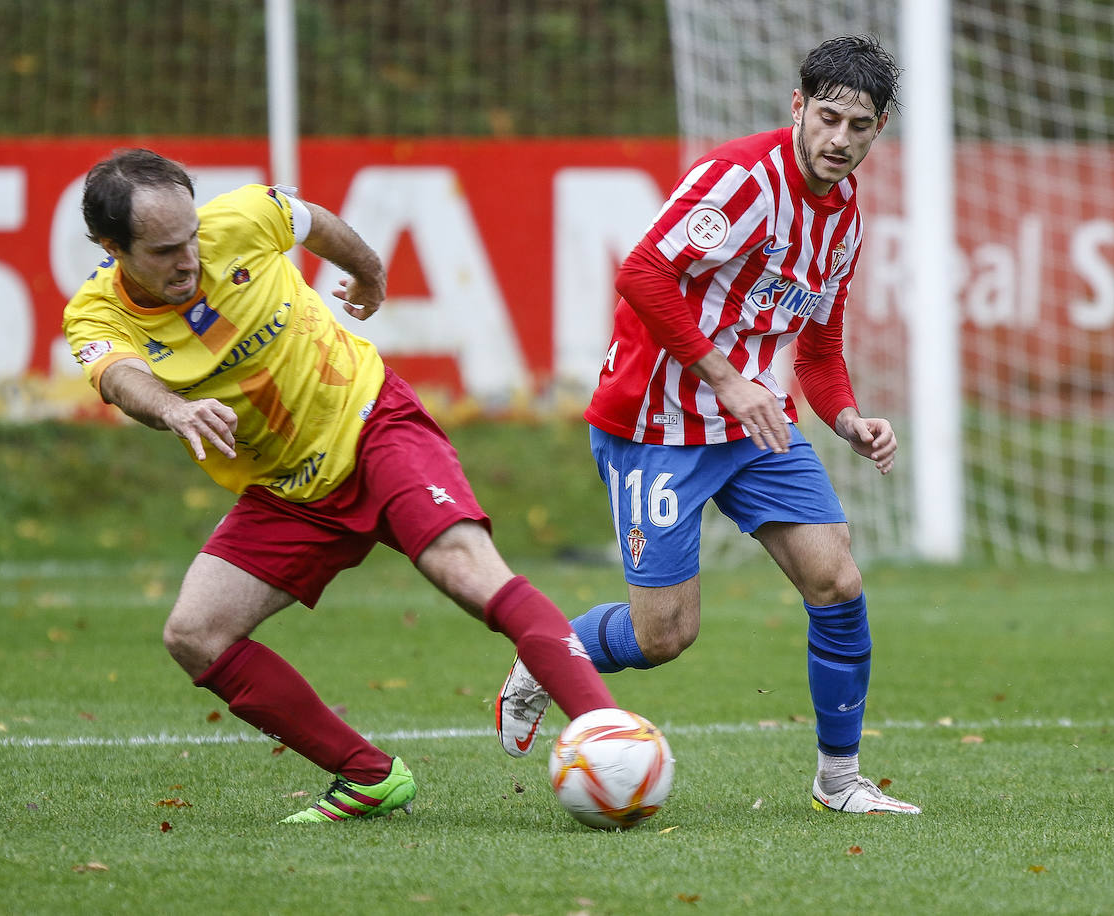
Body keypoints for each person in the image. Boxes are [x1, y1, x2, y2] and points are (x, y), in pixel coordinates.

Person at [63, 148, 615, 824]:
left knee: (465, 571)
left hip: (373, 423)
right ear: (111, 246)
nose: (191, 258)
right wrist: (174, 409)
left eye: (194, 237)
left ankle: (610, 734)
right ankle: (370, 777)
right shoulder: (94, 316)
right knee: (195, 633)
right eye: (167, 249)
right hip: (288, 490)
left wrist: (370, 273)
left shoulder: (241, 216)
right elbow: (120, 377)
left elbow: (314, 222)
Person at [496, 35, 920, 815]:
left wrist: (849, 417)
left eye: (859, 127)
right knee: (663, 636)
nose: (839, 140)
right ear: (799, 106)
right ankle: (547, 654)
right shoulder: (742, 180)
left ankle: (839, 782)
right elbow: (643, 273)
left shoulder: (845, 221)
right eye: (827, 118)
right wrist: (726, 379)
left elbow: (819, 348)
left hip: (754, 426)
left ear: (878, 129)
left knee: (837, 580)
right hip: (657, 423)